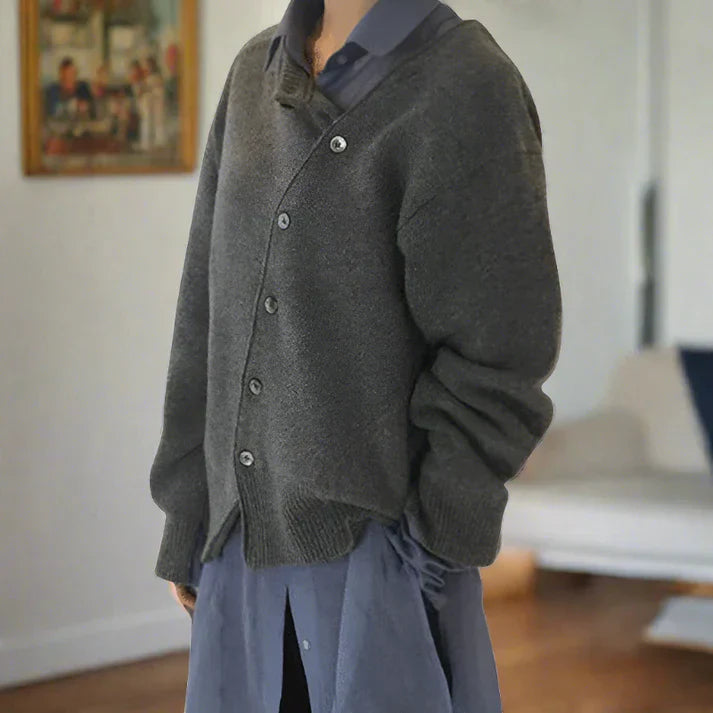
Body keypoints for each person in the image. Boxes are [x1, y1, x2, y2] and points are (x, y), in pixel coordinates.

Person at [149, 0, 562, 711]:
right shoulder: (253, 73)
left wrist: (430, 548)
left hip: (380, 561)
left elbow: (501, 355)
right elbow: (205, 315)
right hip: (237, 549)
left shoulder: (466, 85)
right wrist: (188, 517)